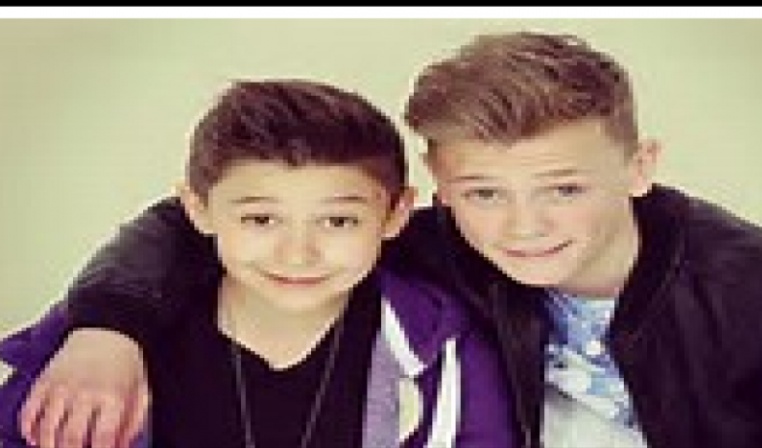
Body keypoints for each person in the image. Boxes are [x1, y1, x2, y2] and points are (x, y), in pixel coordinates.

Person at [7, 29, 762, 448]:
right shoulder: (428, 244)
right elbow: (199, 221)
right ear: (434, 192)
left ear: (640, 167)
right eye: (483, 192)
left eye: (564, 189)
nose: (524, 227)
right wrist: (107, 328)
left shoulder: (747, 291)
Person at [0, 79, 516, 447]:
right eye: (261, 220)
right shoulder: (103, 339)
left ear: (397, 214)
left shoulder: (442, 347)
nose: (297, 254)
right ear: (197, 209)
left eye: (338, 221)